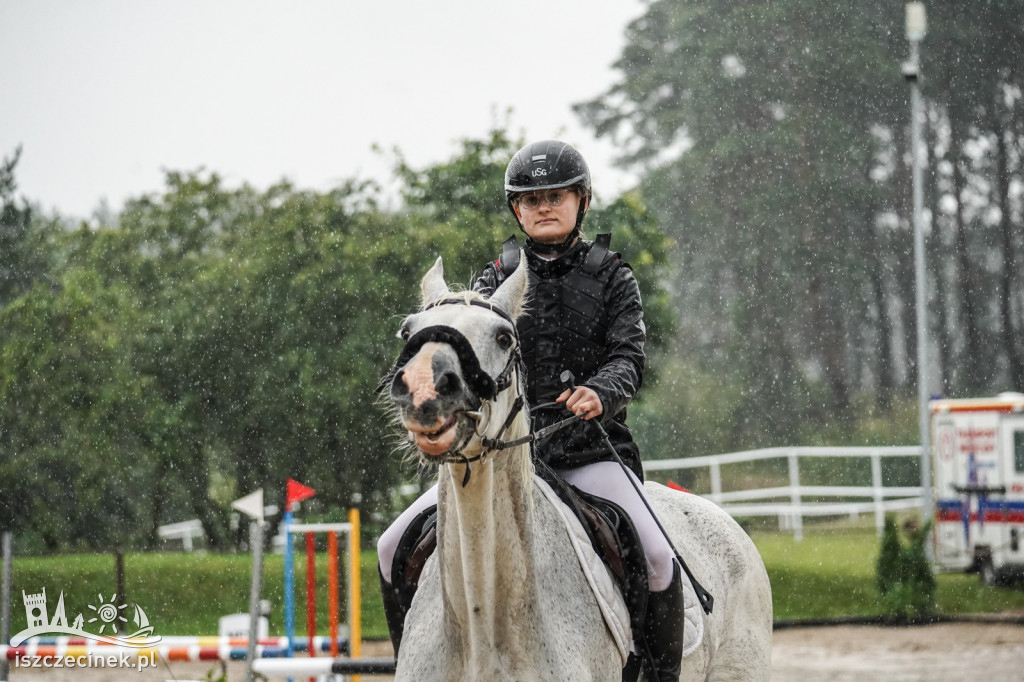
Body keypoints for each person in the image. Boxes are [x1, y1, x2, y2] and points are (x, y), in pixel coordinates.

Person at [377, 140, 686, 680]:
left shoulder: (613, 275)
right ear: (516, 210)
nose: (544, 206)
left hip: (588, 453)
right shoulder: (494, 278)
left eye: (556, 195)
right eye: (530, 198)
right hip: (498, 455)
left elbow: (629, 357)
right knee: (390, 547)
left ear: (581, 202)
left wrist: (601, 391)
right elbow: (469, 360)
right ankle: (420, 660)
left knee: (658, 558)